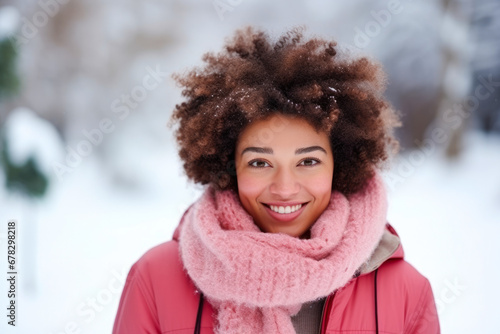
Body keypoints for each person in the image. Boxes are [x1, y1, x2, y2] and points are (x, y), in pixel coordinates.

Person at [112, 27, 440, 334]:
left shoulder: (408, 293)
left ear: (339, 166)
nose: (284, 188)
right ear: (229, 166)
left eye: (308, 161)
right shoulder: (154, 278)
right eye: (260, 162)